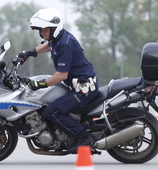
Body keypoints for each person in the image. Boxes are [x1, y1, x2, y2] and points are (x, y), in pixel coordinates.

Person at [17, 7, 99, 153]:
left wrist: (39, 84)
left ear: (54, 28)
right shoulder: (58, 39)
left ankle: (84, 137)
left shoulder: (65, 44)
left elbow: (61, 75)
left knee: (52, 111)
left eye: (44, 29)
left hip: (83, 90)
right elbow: (48, 46)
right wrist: (28, 53)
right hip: (78, 86)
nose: (42, 33)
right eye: (40, 30)